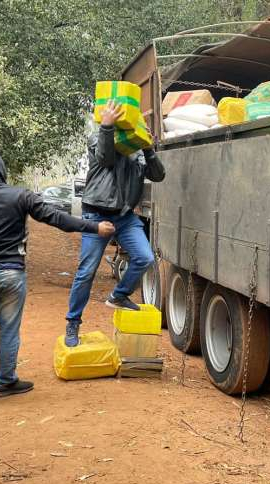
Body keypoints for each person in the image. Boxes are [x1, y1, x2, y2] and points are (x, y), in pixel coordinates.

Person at [0, 151, 115, 404]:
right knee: (9, 331)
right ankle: (6, 382)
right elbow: (56, 218)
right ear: (1, 171)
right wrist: (94, 227)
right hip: (12, 274)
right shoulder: (21, 196)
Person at [64, 101, 165, 347]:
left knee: (145, 257)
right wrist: (107, 127)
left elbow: (158, 175)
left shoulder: (138, 148)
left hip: (125, 216)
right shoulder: (98, 137)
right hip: (96, 215)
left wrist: (148, 149)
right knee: (86, 272)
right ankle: (73, 322)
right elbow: (106, 159)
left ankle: (119, 296)